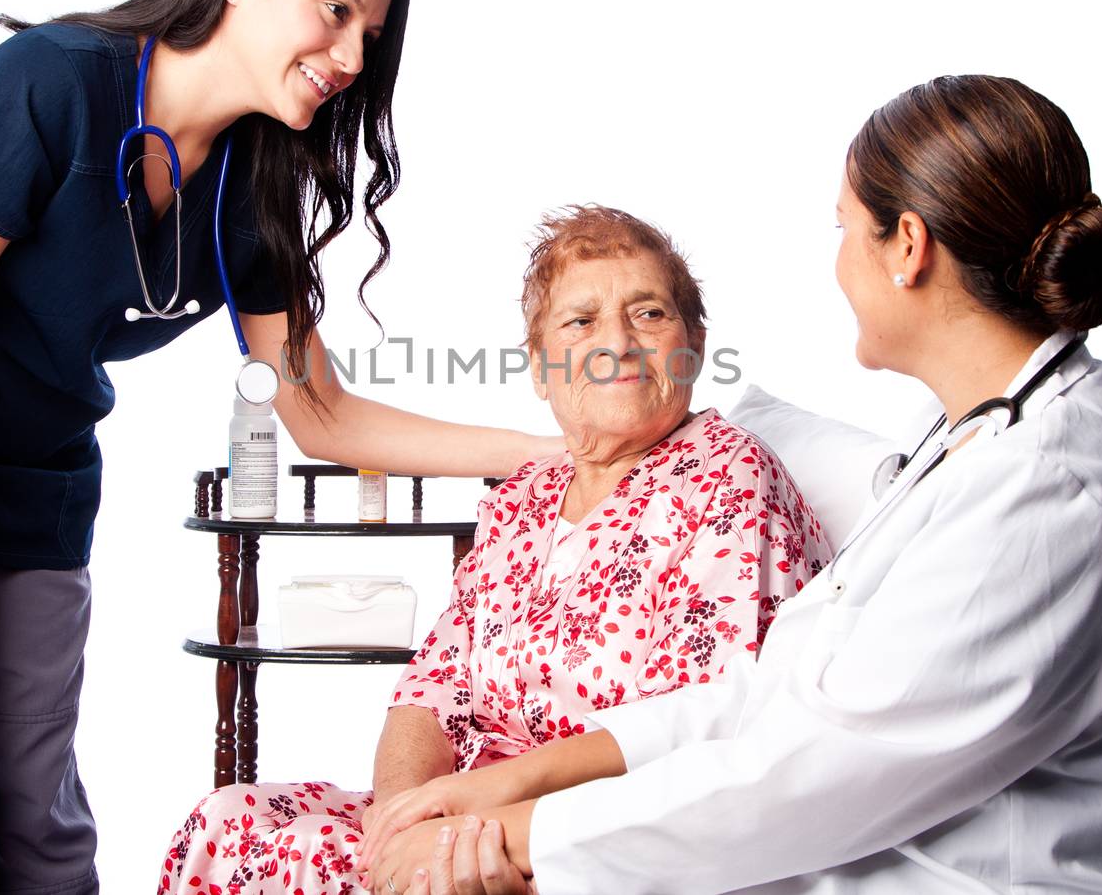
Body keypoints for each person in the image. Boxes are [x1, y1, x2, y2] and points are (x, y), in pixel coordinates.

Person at [0, 0, 565, 895]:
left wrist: (554, 452)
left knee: (43, 841)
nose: (353, 58)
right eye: (335, 9)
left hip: (34, 481)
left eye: (372, 34)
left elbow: (322, 413)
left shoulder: (255, 179)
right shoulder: (54, 83)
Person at [359, 76, 1102, 894]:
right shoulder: (980, 435)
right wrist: (511, 785)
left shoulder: (1047, 492)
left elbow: (803, 776)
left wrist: (513, 836)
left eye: (844, 228)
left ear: (907, 248)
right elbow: (779, 694)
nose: (839, 262)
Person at [158, 205, 830, 894]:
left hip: (581, 841)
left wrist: (463, 834)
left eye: (649, 313)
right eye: (580, 321)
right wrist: (399, 815)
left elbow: (689, 736)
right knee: (224, 821)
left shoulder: (727, 477)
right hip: (456, 815)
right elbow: (431, 690)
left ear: (694, 342)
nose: (617, 344)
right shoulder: (522, 499)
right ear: (541, 369)